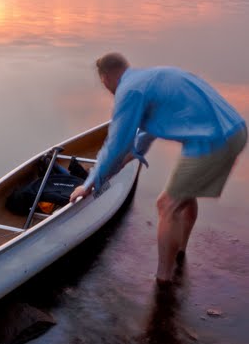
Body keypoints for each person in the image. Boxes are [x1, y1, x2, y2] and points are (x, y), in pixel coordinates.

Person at [69, 53, 247, 287]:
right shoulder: (150, 77)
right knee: (184, 195)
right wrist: (137, 151)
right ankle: (180, 252)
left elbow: (115, 145)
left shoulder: (129, 91)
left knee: (166, 205)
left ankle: (163, 278)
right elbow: (153, 121)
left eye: (103, 84)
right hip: (233, 130)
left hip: (213, 141)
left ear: (105, 78)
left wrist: (91, 182)